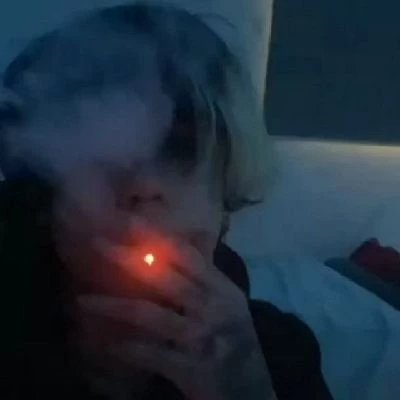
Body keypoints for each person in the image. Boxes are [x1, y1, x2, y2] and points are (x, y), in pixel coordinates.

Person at [0, 4, 333, 399]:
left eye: (180, 148)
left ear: (224, 196)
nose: (143, 185)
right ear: (42, 193)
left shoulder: (278, 358)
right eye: (102, 149)